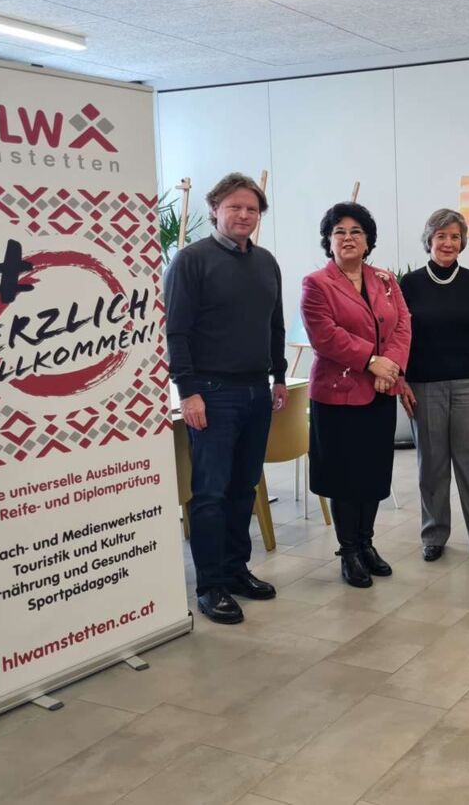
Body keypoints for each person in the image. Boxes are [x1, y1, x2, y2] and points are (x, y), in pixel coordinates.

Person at [164, 172, 287, 624]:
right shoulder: (191, 261)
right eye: (234, 206)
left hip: (257, 390)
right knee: (210, 493)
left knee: (243, 488)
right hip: (212, 394)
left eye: (252, 209)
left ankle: (236, 570)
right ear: (215, 209)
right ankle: (210, 585)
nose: (243, 215)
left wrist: (279, 377)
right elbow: (176, 331)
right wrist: (188, 392)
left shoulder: (266, 262)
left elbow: (274, 324)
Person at [301, 202, 411, 589]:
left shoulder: (385, 279)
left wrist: (391, 366)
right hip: (338, 396)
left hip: (381, 391)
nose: (348, 238)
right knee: (346, 477)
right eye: (339, 232)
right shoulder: (316, 283)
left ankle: (366, 543)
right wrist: (372, 361)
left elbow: (403, 325)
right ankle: (348, 551)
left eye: (356, 232)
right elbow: (325, 336)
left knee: (373, 473)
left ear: (368, 241)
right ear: (328, 241)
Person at [400, 209, 469, 562]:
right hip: (424, 384)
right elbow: (399, 336)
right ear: (429, 240)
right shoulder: (410, 284)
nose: (448, 243)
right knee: (431, 464)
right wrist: (401, 380)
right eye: (441, 236)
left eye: (455, 236)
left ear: (462, 242)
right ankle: (434, 534)